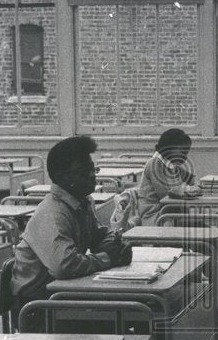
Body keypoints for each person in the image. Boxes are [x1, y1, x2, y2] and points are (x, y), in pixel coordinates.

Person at [10, 135, 131, 318]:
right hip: (38, 306)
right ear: (62, 177)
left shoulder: (82, 201)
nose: (92, 176)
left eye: (92, 169)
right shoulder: (53, 212)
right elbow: (64, 266)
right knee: (127, 313)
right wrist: (108, 258)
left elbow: (99, 234)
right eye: (83, 172)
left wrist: (115, 245)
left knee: (131, 307)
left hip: (62, 293)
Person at [136, 128, 201, 226]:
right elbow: (167, 194)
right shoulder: (155, 164)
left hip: (169, 213)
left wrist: (196, 185)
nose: (185, 157)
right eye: (183, 153)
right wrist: (188, 190)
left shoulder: (171, 165)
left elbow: (190, 179)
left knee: (200, 226)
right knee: (197, 229)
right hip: (155, 216)